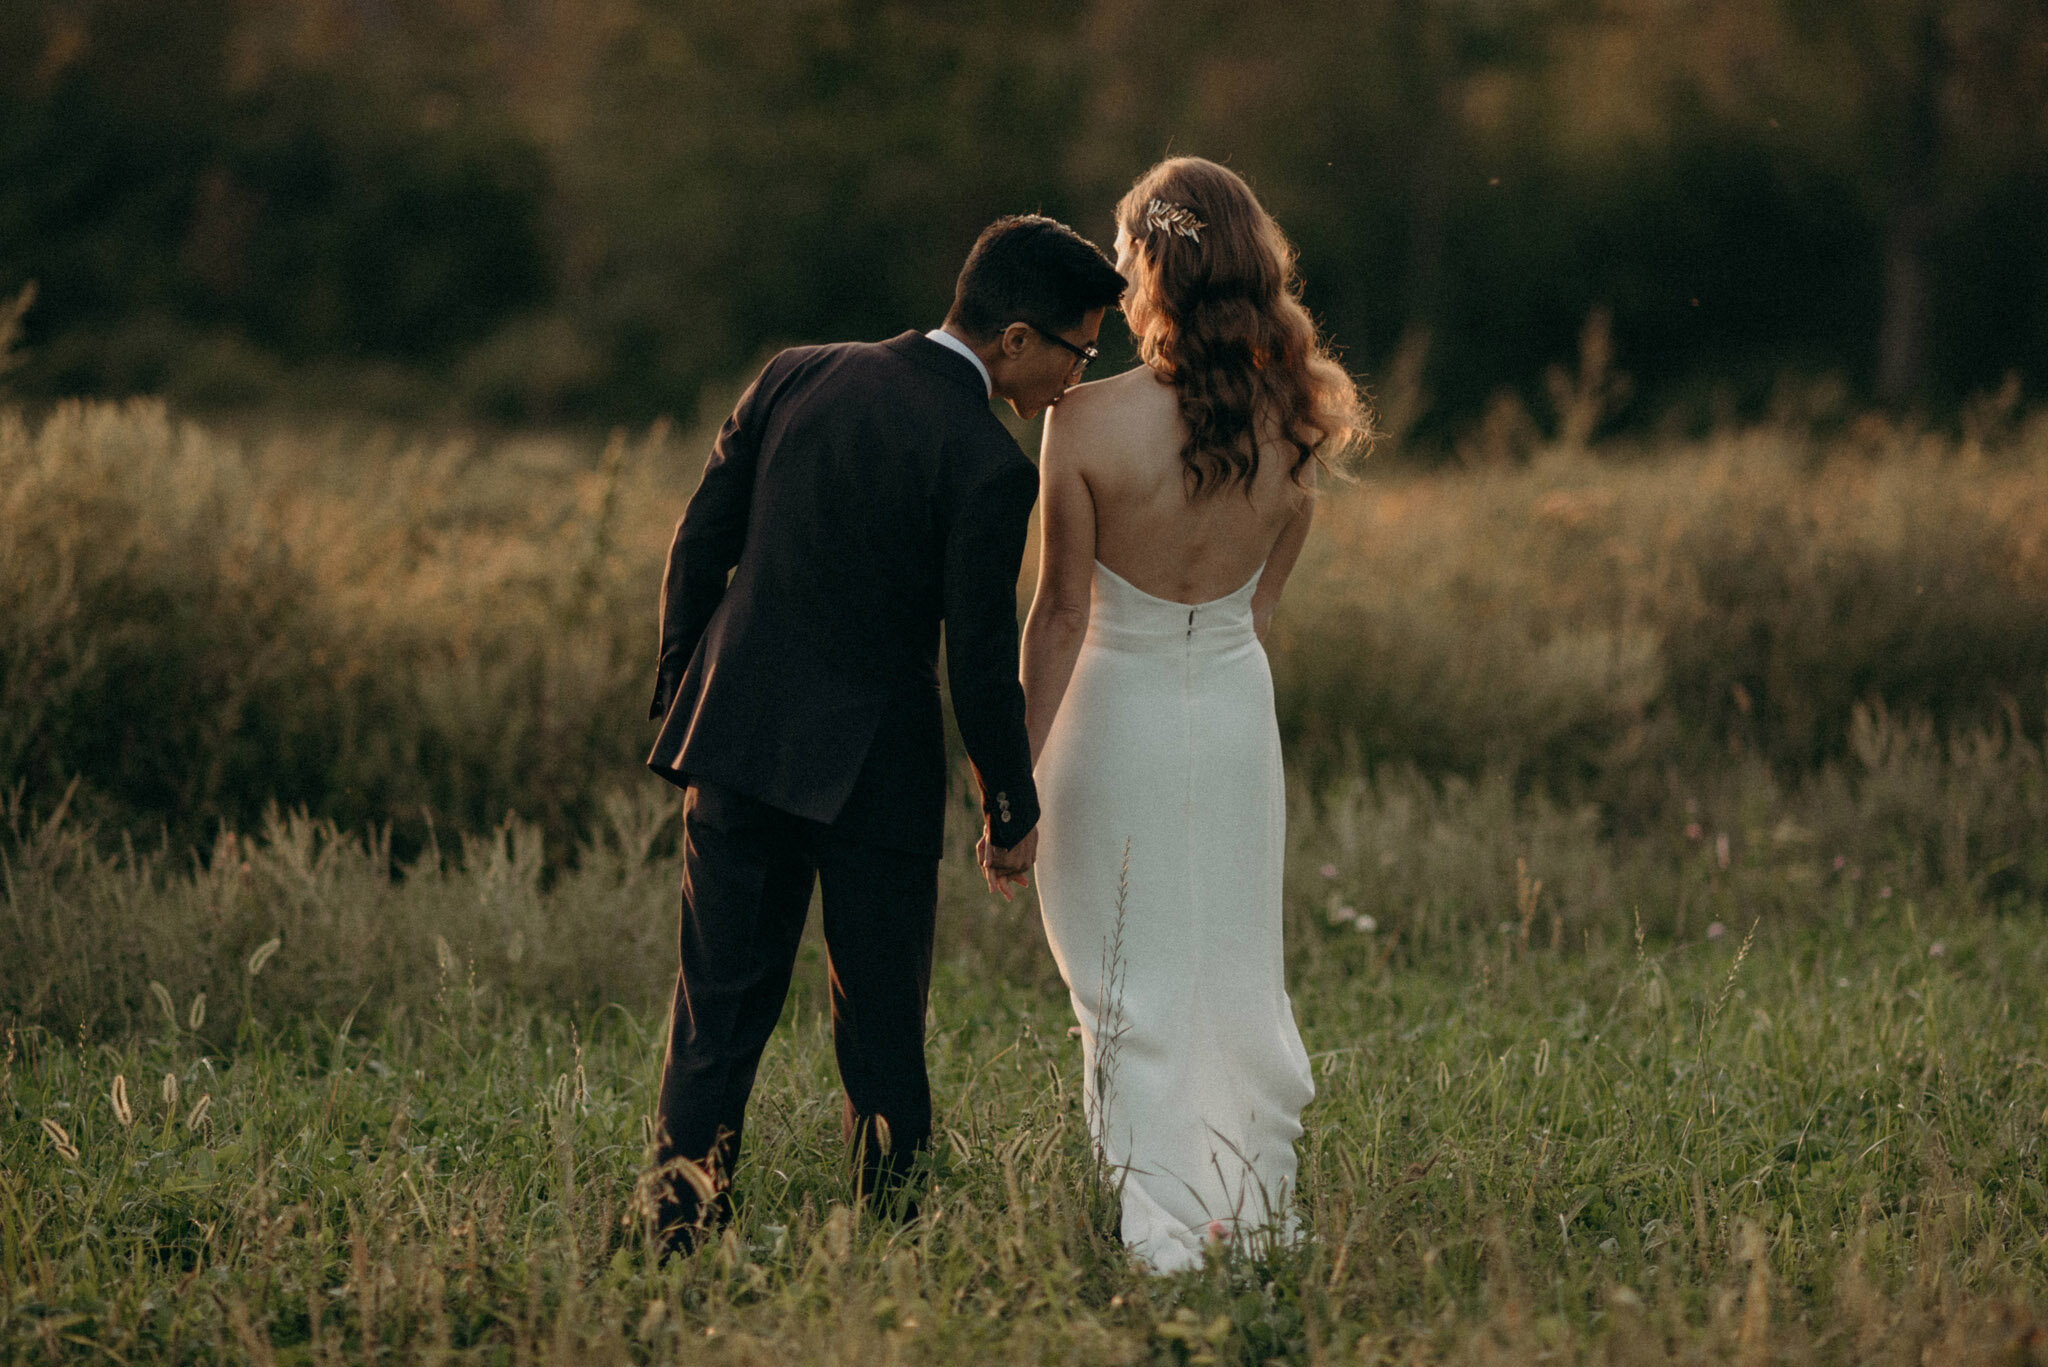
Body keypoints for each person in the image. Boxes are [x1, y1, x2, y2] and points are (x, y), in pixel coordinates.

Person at [642, 215, 1125, 1255]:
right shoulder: (988, 465)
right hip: (875, 780)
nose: (1075, 382)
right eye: (1076, 352)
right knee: (879, 1034)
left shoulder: (795, 372)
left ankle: (670, 1237)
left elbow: (698, 542)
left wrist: (688, 687)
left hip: (733, 744)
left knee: (714, 1015)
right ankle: (890, 1242)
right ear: (1013, 340)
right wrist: (1010, 807)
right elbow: (979, 666)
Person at [1019, 158, 1366, 1273]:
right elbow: (1257, 611)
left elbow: (1061, 614)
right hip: (1228, 715)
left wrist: (1008, 780)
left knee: (1123, 973)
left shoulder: (1081, 422)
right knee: (1226, 964)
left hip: (1106, 719)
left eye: (1121, 258)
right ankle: (1245, 1203)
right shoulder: (1297, 420)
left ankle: (1157, 1211)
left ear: (1149, 270)